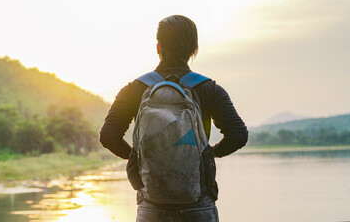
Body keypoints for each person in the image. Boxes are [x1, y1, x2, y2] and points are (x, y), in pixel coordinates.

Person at [100, 15, 248, 222]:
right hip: (198, 206)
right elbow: (238, 135)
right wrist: (208, 154)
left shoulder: (133, 90)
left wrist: (139, 158)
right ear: (194, 49)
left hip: (152, 206)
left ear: (158, 47)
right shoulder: (210, 90)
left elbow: (108, 136)